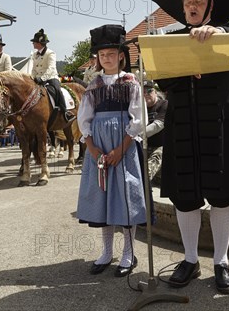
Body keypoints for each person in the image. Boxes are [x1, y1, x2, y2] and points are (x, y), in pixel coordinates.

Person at [152, 0, 229, 294]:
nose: (192, 5)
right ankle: (189, 259)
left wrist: (218, 34)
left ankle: (221, 261)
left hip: (220, 123)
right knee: (185, 194)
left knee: (222, 191)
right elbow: (162, 78)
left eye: (199, 0)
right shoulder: (171, 40)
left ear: (210, 7)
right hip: (184, 124)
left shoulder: (227, 32)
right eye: (188, 1)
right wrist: (186, 64)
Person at [76, 24, 146, 278]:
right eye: (102, 55)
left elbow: (137, 119)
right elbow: (84, 120)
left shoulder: (130, 83)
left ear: (121, 56)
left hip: (123, 148)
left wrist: (121, 148)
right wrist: (94, 150)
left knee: (126, 199)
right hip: (100, 151)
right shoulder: (93, 85)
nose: (106, 58)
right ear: (98, 58)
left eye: (111, 54)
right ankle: (106, 251)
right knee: (104, 199)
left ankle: (128, 252)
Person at [30, 29, 74, 122]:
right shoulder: (34, 54)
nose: (33, 43)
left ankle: (65, 112)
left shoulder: (51, 53)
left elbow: (51, 68)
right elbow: (33, 69)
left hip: (50, 78)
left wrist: (42, 78)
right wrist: (32, 78)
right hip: (38, 79)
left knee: (57, 90)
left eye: (34, 42)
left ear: (40, 43)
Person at [143, 80, 167, 186]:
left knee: (156, 157)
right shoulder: (138, 109)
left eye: (149, 91)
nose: (146, 94)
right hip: (144, 146)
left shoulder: (164, 104)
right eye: (142, 92)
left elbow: (158, 125)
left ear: (155, 92)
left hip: (161, 146)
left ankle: (142, 184)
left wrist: (135, 135)